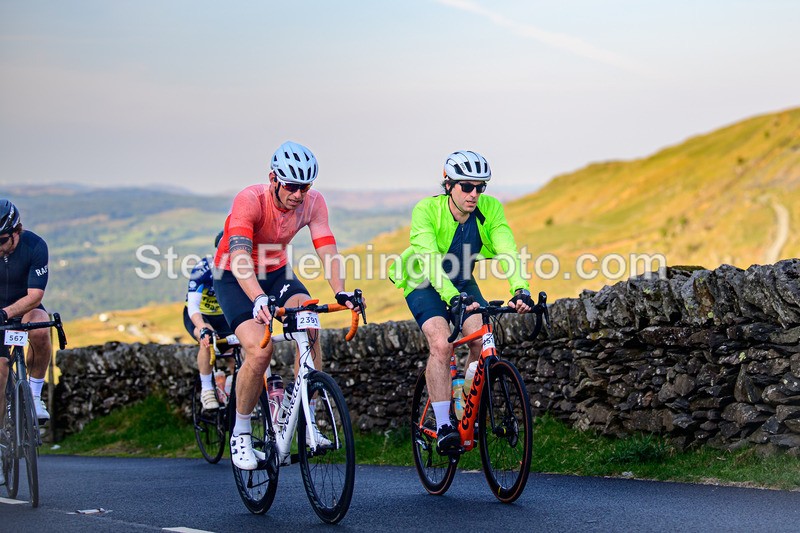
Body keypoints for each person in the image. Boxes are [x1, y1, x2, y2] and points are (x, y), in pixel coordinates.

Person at [214, 141, 364, 470]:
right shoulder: (249, 200)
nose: (299, 195)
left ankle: (307, 420)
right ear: (273, 179)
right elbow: (239, 257)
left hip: (276, 270)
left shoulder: (313, 203)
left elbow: (326, 245)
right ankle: (240, 432)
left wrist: (339, 291)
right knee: (259, 351)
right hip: (233, 276)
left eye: (305, 187)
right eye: (292, 186)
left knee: (309, 324)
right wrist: (256, 298)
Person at [390, 150, 534, 454]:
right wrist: (452, 298)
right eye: (466, 186)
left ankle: (465, 402)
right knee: (441, 344)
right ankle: (444, 426)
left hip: (461, 279)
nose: (474, 194)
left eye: (480, 187)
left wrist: (520, 289)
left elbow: (507, 247)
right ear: (448, 185)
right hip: (424, 280)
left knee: (481, 339)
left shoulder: (490, 209)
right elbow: (429, 260)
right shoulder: (426, 210)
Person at [0, 199, 53, 429]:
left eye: (1, 240)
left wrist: (5, 313)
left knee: (41, 327)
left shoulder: (35, 246)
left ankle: (34, 396)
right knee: (1, 369)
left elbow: (35, 296)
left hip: (24, 308)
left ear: (17, 231)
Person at [183, 231, 234, 411]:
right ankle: (207, 389)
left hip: (225, 316)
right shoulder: (204, 268)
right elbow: (193, 306)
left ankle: (233, 387)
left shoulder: (241, 267)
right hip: (200, 315)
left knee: (239, 350)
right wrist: (203, 327)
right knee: (207, 339)